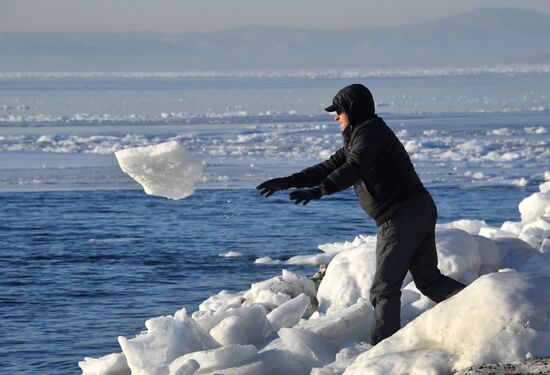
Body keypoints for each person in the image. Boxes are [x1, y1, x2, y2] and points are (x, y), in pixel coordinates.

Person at [256, 83, 465, 345]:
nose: (336, 117)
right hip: (416, 209)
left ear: (351, 111)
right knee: (429, 280)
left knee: (383, 289)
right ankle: (482, 307)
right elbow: (330, 166)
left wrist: (320, 191)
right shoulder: (362, 135)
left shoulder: (369, 135)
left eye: (339, 112)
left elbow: (354, 168)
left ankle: (383, 350)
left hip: (401, 215)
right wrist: (288, 181)